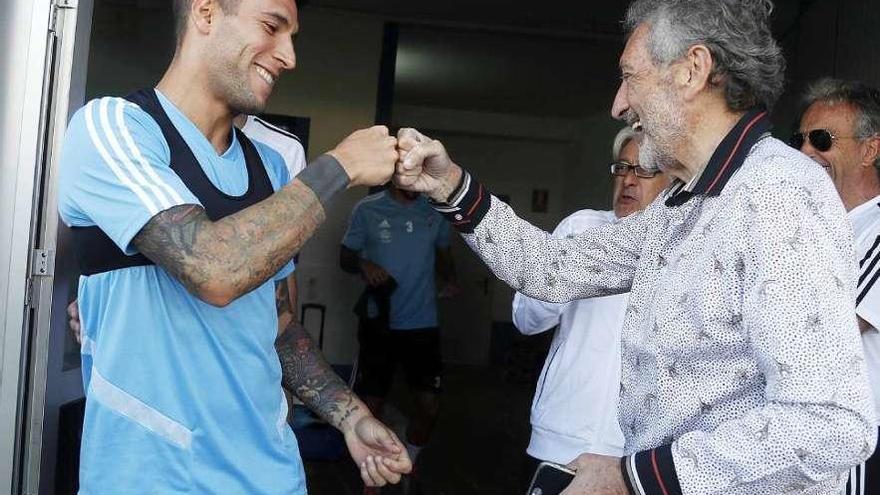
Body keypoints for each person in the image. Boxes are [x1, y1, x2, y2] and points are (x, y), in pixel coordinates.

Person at [391, 0, 877, 493]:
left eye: (630, 77)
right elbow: (552, 269)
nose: (618, 105)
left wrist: (633, 477)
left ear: (693, 69)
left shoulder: (778, 194)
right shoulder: (685, 203)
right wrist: (451, 185)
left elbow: (829, 424)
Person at [57, 0, 411, 492]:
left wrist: (350, 416)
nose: (288, 56)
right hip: (152, 477)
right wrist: (340, 167)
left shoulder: (270, 168)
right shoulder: (113, 128)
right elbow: (213, 268)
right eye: (272, 27)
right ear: (205, 13)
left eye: (292, 37)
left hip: (271, 475)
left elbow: (277, 323)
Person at [513, 126, 669, 486]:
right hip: (560, 438)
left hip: (635, 453)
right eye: (623, 168)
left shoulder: (688, 249)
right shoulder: (582, 228)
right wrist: (557, 281)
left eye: (644, 169)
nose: (629, 180)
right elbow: (525, 320)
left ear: (674, 181)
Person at [339, 182, 458, 494]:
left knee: (429, 406)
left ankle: (411, 460)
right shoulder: (367, 209)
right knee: (371, 405)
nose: (415, 184)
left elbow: (444, 252)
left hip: (423, 324)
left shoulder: (434, 211)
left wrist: (450, 279)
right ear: (393, 176)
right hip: (381, 323)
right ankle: (371, 476)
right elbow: (345, 256)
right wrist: (364, 263)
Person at [794, 78, 880, 494]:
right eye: (802, 140)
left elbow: (829, 332)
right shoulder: (806, 228)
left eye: (822, 139)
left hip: (854, 449)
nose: (807, 151)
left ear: (870, 149)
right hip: (797, 443)